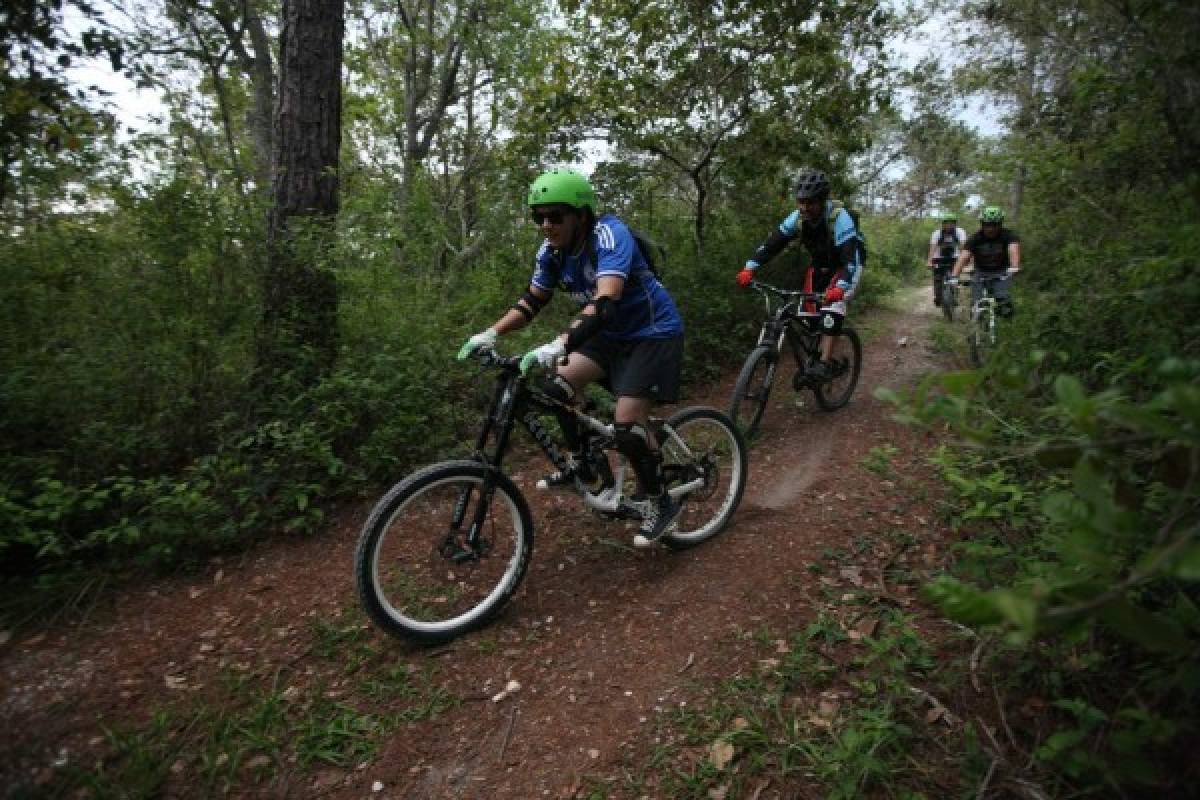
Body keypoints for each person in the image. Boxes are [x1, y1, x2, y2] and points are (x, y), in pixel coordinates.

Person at [457, 168, 686, 548]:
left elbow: (607, 299)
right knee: (554, 387)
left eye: (556, 216)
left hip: (652, 333)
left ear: (581, 214)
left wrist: (559, 343)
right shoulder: (551, 252)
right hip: (607, 335)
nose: (546, 225)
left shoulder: (610, 235)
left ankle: (660, 503)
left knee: (627, 422)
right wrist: (491, 333)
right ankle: (587, 463)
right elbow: (532, 301)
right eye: (539, 217)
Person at [735, 169, 864, 381]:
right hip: (820, 266)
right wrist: (750, 267)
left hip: (847, 266)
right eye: (801, 202)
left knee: (832, 308)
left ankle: (824, 364)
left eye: (810, 203)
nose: (804, 207)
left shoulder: (840, 218)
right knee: (809, 314)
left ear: (822, 201)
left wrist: (840, 287)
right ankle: (814, 354)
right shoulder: (797, 219)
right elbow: (772, 244)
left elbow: (850, 259)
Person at [947, 206, 1021, 316]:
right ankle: (975, 330)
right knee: (977, 303)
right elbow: (963, 257)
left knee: (1004, 303)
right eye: (987, 225)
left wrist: (1014, 266)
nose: (991, 228)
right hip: (980, 273)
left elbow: (1013, 249)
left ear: (1000, 224)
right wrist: (954, 276)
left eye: (994, 225)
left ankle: (1006, 328)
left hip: (1002, 272)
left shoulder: (1008, 235)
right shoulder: (975, 238)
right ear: (982, 224)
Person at [927, 215, 967, 306]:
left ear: (955, 224)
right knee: (938, 278)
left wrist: (965, 260)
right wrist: (929, 261)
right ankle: (938, 297)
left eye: (951, 223)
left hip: (955, 258)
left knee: (955, 277)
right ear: (943, 224)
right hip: (938, 258)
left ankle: (954, 296)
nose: (949, 225)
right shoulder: (937, 233)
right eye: (947, 223)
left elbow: (963, 246)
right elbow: (932, 248)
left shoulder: (960, 232)